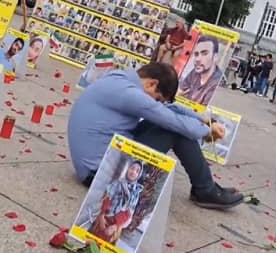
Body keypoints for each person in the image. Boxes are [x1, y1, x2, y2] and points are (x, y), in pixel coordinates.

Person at [66, 63, 243, 209]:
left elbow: (168, 109)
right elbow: (173, 121)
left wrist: (205, 120)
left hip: (97, 164)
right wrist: (207, 132)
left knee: (168, 122)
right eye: (157, 98)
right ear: (151, 84)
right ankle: (205, 190)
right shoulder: (130, 94)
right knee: (173, 129)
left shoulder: (122, 79)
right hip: (99, 175)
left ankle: (205, 188)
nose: (156, 103)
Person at [87, 159, 144, 244]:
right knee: (92, 238)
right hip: (105, 216)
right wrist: (102, 216)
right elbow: (108, 198)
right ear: (128, 169)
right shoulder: (117, 183)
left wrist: (115, 226)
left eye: (137, 171)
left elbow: (129, 212)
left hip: (117, 222)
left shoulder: (135, 192)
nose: (133, 172)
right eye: (132, 168)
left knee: (106, 243)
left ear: (138, 175)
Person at [177, 36, 224, 106]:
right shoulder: (195, 72)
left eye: (204, 54)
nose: (197, 59)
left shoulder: (217, 82)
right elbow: (180, 91)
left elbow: (203, 110)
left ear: (215, 57)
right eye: (196, 54)